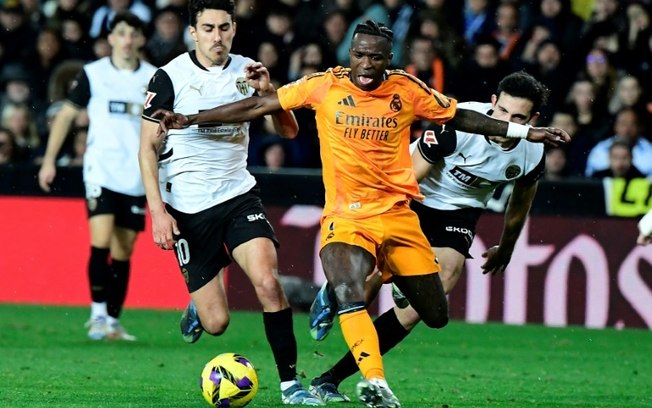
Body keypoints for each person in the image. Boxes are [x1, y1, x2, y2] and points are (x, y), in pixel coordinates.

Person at [154, 21, 569, 408]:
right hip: (363, 211)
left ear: (389, 60)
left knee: (436, 314)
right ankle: (369, 377)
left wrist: (523, 136)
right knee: (353, 287)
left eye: (376, 58)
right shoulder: (323, 85)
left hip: (407, 213)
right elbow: (261, 105)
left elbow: (473, 135)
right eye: (359, 55)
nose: (366, 65)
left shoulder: (408, 90)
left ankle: (355, 291)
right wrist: (190, 118)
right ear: (349, 52)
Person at [307, 71, 554, 401]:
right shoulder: (459, 126)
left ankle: (330, 379)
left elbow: (519, 205)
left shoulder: (533, 153)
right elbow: (408, 175)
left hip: (459, 214)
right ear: (492, 103)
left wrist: (506, 248)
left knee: (428, 301)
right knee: (365, 286)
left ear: (533, 119)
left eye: (519, 117)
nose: (508, 122)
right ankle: (337, 291)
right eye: (502, 112)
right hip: (409, 196)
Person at [137, 0, 322, 405]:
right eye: (208, 28)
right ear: (193, 32)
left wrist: (270, 93)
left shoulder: (249, 71)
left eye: (224, 27)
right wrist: (158, 213)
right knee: (217, 323)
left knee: (269, 285)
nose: (216, 37)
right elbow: (146, 150)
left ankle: (291, 385)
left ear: (234, 29)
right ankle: (198, 306)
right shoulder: (169, 77)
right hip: (186, 207)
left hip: (238, 195)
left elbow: (288, 131)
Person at [38, 12, 156, 341]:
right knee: (100, 241)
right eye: (121, 33)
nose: (127, 40)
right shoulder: (93, 74)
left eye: (133, 34)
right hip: (101, 168)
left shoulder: (153, 77)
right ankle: (98, 314)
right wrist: (50, 161)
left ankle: (114, 321)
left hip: (135, 174)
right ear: (111, 39)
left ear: (141, 39)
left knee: (124, 249)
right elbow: (65, 117)